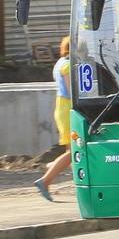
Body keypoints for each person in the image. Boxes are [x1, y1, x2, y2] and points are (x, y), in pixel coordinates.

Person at [34, 36, 71, 201]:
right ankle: (46, 180)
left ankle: (53, 167)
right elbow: (72, 92)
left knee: (73, 152)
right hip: (69, 109)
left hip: (61, 108)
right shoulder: (69, 66)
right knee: (73, 153)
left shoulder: (59, 63)